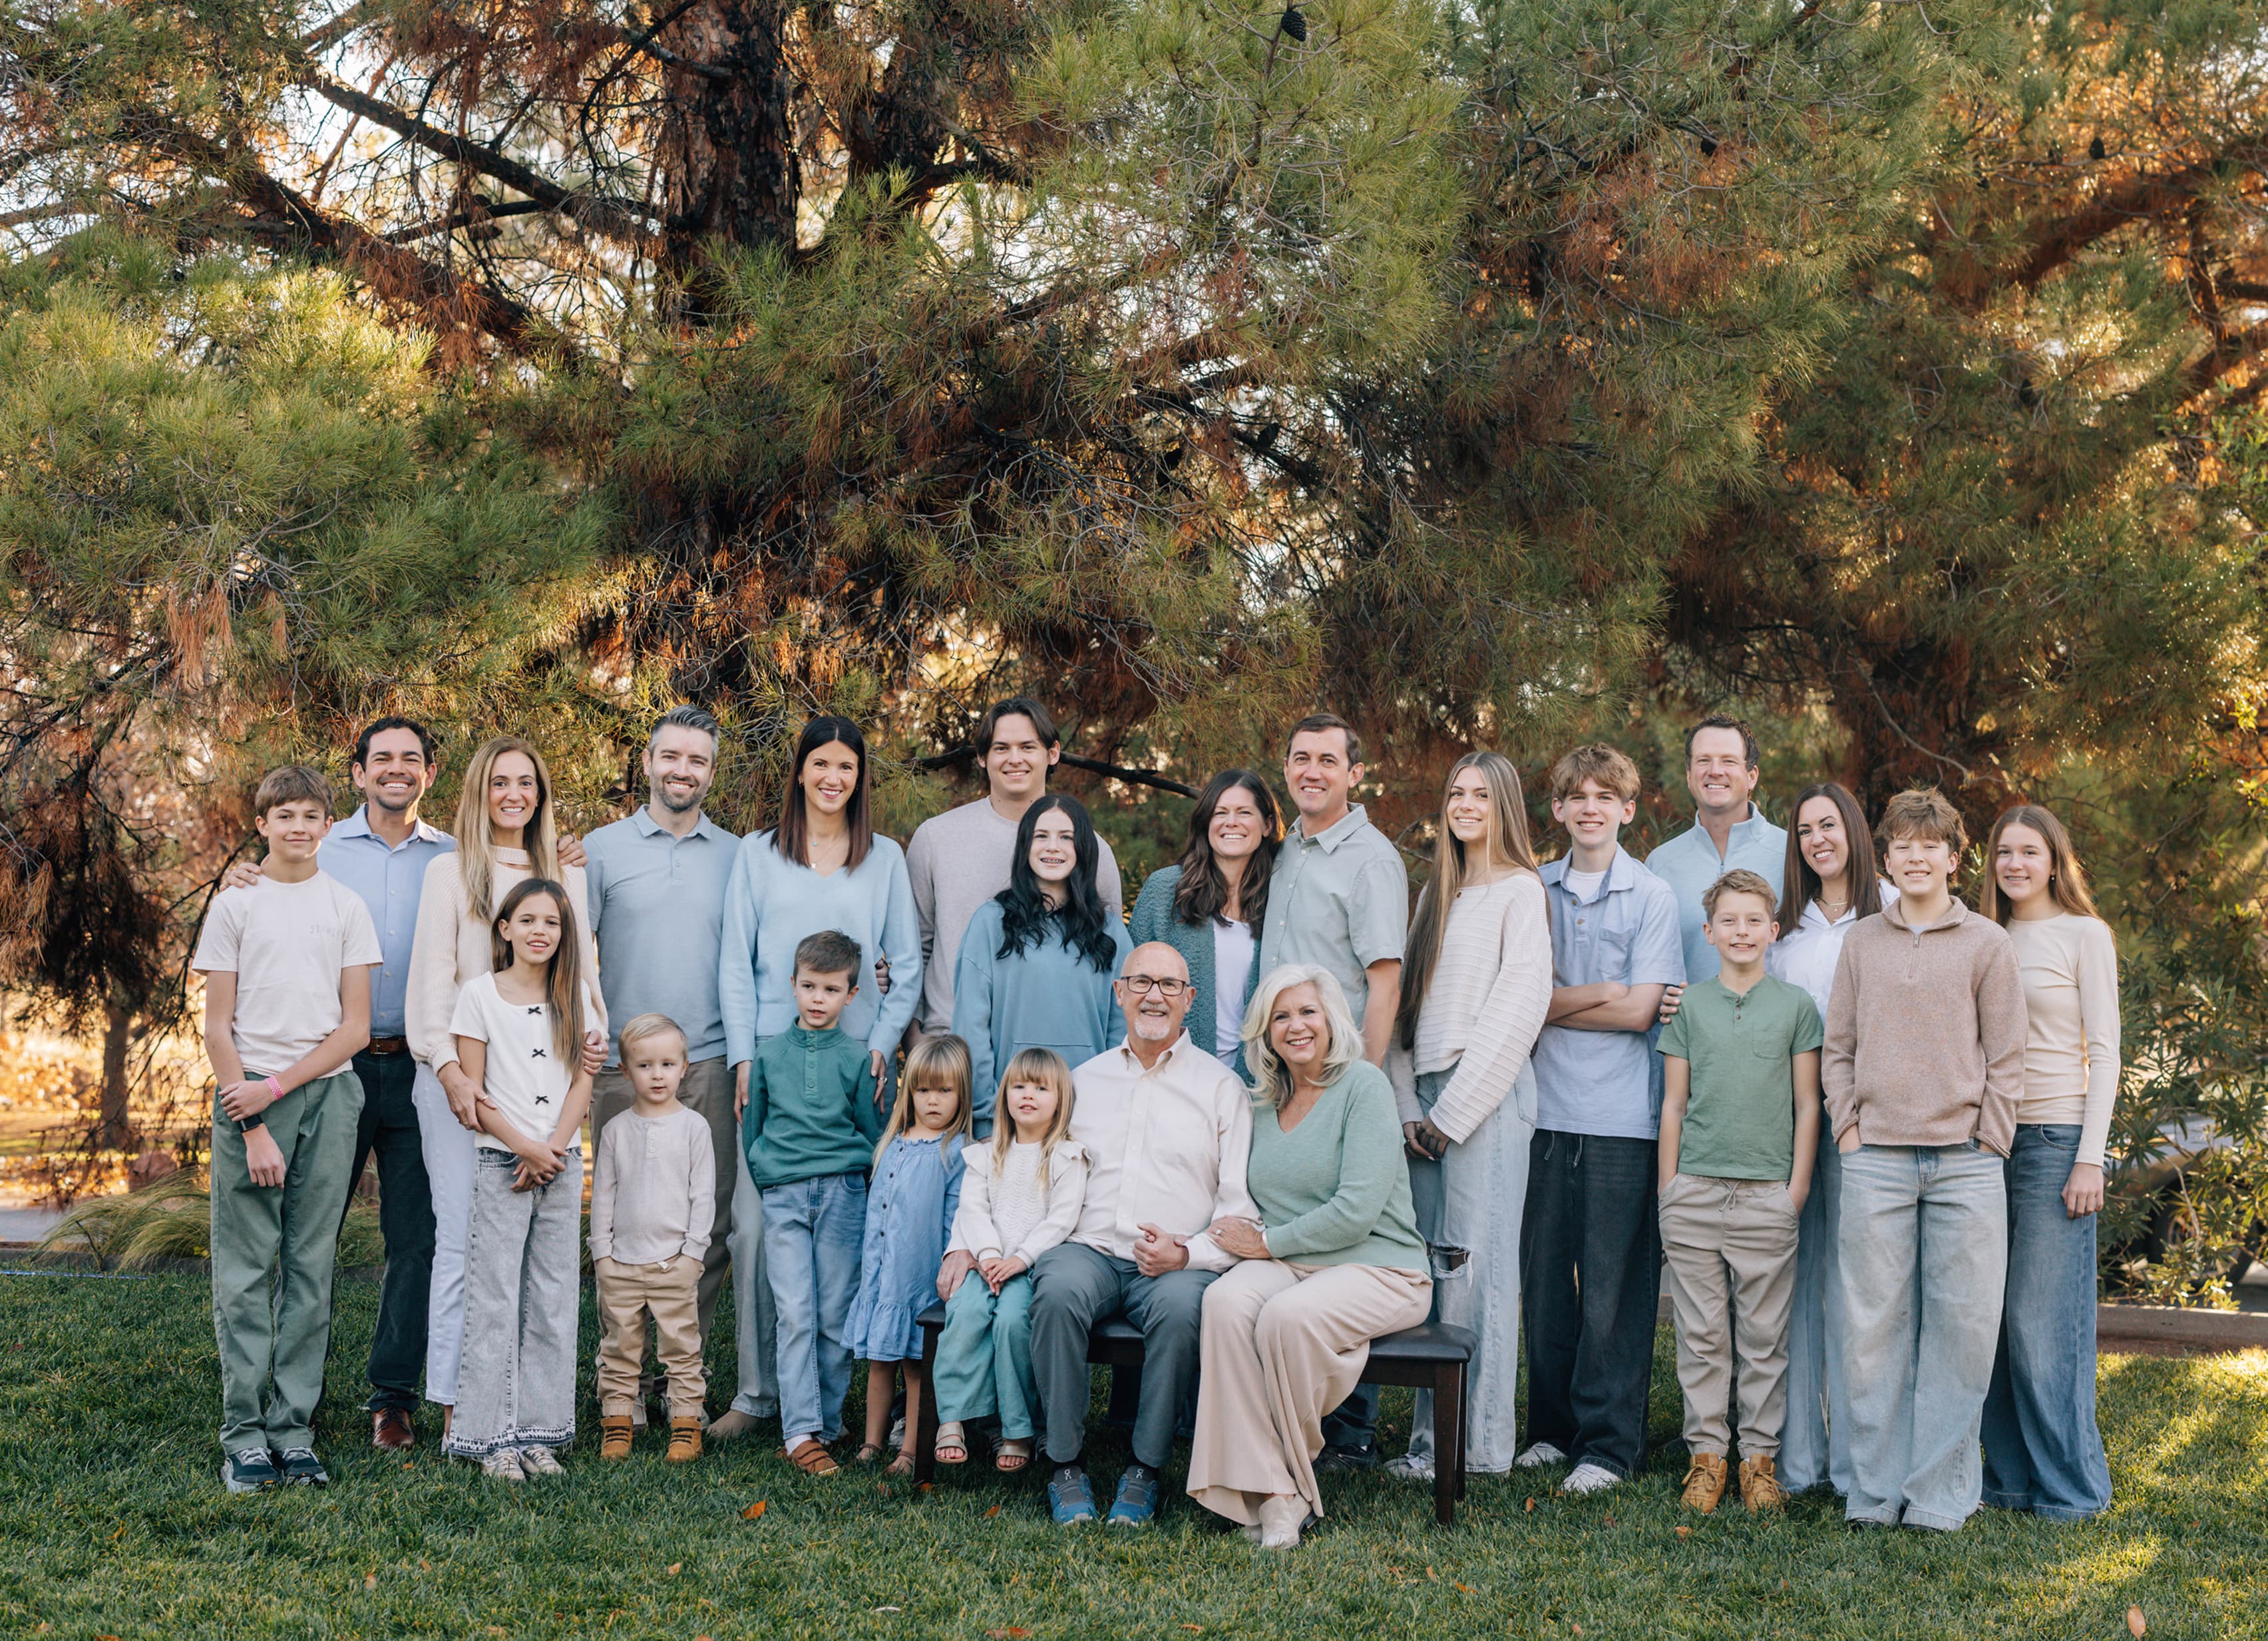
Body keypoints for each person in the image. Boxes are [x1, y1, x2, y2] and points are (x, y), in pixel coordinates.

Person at [715, 715, 920, 1440]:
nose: (833, 778)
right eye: (820, 764)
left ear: (860, 779)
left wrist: (883, 1045)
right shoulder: (759, 854)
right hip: (773, 1068)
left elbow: (908, 964)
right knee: (752, 1231)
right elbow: (736, 964)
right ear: (799, 770)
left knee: (846, 1239)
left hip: (854, 1070)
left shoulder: (884, 859)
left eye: (847, 767)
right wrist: (744, 1056)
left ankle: (836, 1404)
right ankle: (757, 1394)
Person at [1825, 788, 2026, 1532]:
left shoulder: (1986, 945)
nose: (1914, 856)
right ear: (1887, 856)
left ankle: (1940, 1498)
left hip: (1965, 1165)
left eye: (1928, 845)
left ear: (1952, 856)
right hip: (1876, 1156)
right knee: (1872, 1330)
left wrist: (1990, 1139)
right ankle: (1875, 1497)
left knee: (1963, 1331)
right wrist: (1849, 1132)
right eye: (1901, 846)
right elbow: (1838, 1049)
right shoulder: (1861, 943)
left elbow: (2008, 1058)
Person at [1187, 967, 1431, 1550]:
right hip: (1297, 1262)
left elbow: (1356, 1211)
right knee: (1223, 1301)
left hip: (1381, 1266)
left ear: (1331, 1021)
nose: (1296, 1026)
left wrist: (1267, 1244)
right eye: (1281, 1016)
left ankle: (1289, 1489)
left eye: (1307, 1013)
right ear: (1265, 1032)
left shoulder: (1364, 1087)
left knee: (1285, 1318)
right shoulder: (1263, 1102)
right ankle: (1271, 1487)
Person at [1022, 944, 1258, 1529]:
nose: (1155, 995)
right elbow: (1041, 1172)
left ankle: (1144, 1469)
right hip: (1091, 1250)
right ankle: (1065, 1465)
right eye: (1143, 982)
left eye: (1170, 986)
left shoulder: (1222, 1088)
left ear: (1189, 1001)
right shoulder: (1083, 1081)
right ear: (1120, 992)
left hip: (1177, 1262)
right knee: (1055, 1293)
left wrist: (1188, 1252)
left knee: (1183, 1312)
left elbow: (1238, 1206)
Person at [405, 736, 604, 1427]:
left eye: (527, 782)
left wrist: (549, 1131)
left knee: (537, 1262)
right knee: (467, 1242)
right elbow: (431, 990)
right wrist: (453, 1076)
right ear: (478, 792)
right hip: (463, 1087)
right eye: (499, 782)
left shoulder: (567, 875)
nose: (513, 794)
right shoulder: (449, 872)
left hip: (545, 1094)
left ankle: (525, 1405)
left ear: (541, 795)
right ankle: (464, 1402)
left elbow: (587, 983)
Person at [194, 766, 381, 1492]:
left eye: (312, 816)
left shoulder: (345, 905)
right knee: (244, 1272)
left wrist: (283, 1087)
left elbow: (356, 1026)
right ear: (262, 823)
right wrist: (255, 1116)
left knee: (311, 1268)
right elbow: (216, 1025)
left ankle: (293, 1430)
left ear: (328, 826)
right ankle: (243, 1434)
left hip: (328, 1098)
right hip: (248, 1099)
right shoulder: (235, 905)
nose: (299, 828)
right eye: (285, 816)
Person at [1517, 743, 1684, 1495]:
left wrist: (1556, 1002)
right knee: (1545, 1279)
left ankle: (1609, 1446)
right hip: (1539, 1111)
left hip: (1624, 1117)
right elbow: (1517, 1007)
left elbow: (1643, 1010)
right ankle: (1550, 1430)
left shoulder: (1652, 895)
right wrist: (1598, 993)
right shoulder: (1533, 891)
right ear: (1557, 810)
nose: (1589, 807)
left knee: (1616, 1287)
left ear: (1627, 809)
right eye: (1575, 796)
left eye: (1604, 796)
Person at [1382, 750, 1551, 1483]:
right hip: (1422, 1101)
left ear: (1504, 805)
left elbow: (1517, 1011)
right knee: (1434, 1269)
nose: (1466, 804)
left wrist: (1451, 1113)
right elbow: (1401, 1015)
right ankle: (1428, 1442)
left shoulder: (1521, 891)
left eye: (1482, 794)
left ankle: (1480, 1447)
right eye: (1457, 791)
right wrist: (1405, 1105)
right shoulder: (1433, 897)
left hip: (1484, 1100)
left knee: (1479, 1271)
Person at [583, 706, 743, 1432]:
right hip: (619, 1066)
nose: (683, 771)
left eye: (698, 761)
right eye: (671, 757)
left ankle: (679, 1380)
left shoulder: (739, 856)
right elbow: (568, 952)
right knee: (619, 1225)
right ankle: (621, 1381)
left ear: (712, 772)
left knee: (699, 1228)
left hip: (706, 1063)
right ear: (646, 762)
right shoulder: (598, 851)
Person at [1256, 712, 1410, 1467]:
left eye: (1327, 760)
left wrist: (1364, 1084)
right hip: (1288, 1075)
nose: (1311, 770)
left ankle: (1348, 1435)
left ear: (1355, 773)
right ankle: (1292, 1416)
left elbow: (1383, 981)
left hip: (1342, 1078)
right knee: (1304, 1232)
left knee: (1352, 1238)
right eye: (1299, 759)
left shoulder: (1370, 860)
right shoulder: (1290, 851)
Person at [1656, 869, 1823, 1515]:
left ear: (1773, 931)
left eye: (1755, 920)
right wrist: (1670, 1189)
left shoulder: (1796, 1008)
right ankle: (1706, 1459)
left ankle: (1758, 1461)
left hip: (1766, 1199)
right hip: (1695, 1193)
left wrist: (1796, 1192)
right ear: (1710, 931)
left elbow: (1809, 1106)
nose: (1742, 931)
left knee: (1762, 1337)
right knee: (1701, 1336)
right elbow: (1674, 1105)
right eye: (1730, 921)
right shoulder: (1692, 1006)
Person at [1979, 803, 2120, 1522]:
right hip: (1985, 1144)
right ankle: (2005, 1483)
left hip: (2053, 1142)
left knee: (2042, 1323)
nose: (2015, 864)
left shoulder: (2083, 936)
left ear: (2055, 861)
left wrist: (2088, 1159)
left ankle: (2072, 1490)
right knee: (1993, 1320)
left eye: (2030, 852)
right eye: (2004, 851)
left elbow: (2106, 1051)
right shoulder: (1983, 936)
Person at [317, 718, 451, 1451]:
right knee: (312, 1236)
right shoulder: (320, 848)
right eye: (382, 759)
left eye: (410, 759)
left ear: (429, 772)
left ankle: (391, 1398)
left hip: (420, 1067)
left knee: (416, 1240)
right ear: (360, 772)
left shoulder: (455, 856)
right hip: (335, 1064)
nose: (396, 770)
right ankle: (293, 1392)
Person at [442, 877, 596, 1481]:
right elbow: (474, 1095)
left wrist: (552, 1150)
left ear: (565, 935)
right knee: (496, 1297)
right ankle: (490, 1438)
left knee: (554, 1298)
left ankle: (539, 1432)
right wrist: (525, 1148)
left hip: (561, 1161)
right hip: (501, 1159)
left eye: (552, 923)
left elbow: (584, 1080)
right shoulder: (478, 995)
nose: (540, 932)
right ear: (504, 930)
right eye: (528, 921)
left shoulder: (575, 994)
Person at [1767, 782, 1886, 1497]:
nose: (1818, 839)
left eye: (1830, 825)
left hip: (1871, 1132)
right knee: (1797, 1290)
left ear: (1855, 833)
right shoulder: (1785, 935)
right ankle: (1800, 1462)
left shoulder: (1897, 913)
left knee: (1861, 1297)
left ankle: (1857, 1466)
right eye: (1805, 830)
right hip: (1793, 1128)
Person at [740, 930, 886, 1477]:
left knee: (832, 1317)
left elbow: (872, 1133)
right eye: (808, 986)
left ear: (851, 995)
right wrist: (771, 1177)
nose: (817, 998)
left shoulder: (857, 1058)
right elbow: (753, 1131)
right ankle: (800, 1432)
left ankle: (824, 1424)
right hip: (785, 1197)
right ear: (793, 987)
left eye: (830, 989)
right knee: (796, 1312)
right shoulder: (770, 1053)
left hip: (844, 1194)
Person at [908, 697, 1125, 1039]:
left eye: (1027, 746)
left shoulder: (1090, 850)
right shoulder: (936, 838)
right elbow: (915, 949)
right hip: (951, 1044)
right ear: (982, 757)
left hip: (1050, 1055)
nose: (1014, 759)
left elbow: (1109, 957)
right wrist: (916, 1041)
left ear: (1052, 753)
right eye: (1000, 748)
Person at [932, 1046, 1088, 1475]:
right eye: (1019, 1086)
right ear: (1005, 1095)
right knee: (965, 1311)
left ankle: (1019, 1427)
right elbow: (973, 1210)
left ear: (1061, 1100)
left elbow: (1062, 1219)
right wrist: (986, 1256)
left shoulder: (1065, 1157)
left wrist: (1019, 1259)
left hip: (1030, 1268)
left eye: (1041, 1088)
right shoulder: (986, 1154)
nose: (1028, 1095)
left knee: (1012, 1322)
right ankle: (954, 1416)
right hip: (987, 1263)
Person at [951, 793, 1131, 1125]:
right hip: (1008, 1119)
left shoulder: (1110, 931)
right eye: (1041, 836)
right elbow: (971, 1028)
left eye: (1066, 837)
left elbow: (1122, 1031)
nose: (1053, 847)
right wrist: (987, 1116)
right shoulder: (991, 923)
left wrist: (1109, 1108)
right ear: (1025, 847)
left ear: (1083, 849)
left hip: (1090, 1116)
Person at [592, 1013, 716, 1465]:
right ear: (625, 1071)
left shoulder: (693, 1128)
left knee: (682, 1348)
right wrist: (602, 1254)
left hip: (673, 1263)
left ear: (684, 1067)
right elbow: (603, 1194)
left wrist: (692, 1255)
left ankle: (685, 1426)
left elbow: (703, 1196)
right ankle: (618, 1424)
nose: (657, 1074)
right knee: (620, 1349)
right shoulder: (616, 1130)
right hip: (621, 1264)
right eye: (645, 1066)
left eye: (667, 1064)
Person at [846, 1035, 972, 1475]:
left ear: (963, 1093)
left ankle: (909, 1450)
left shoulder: (956, 1152)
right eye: (923, 1090)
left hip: (920, 1284)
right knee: (880, 1364)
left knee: (916, 1369)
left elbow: (953, 1222)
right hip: (883, 1280)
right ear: (909, 1091)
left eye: (944, 1091)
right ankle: (871, 1442)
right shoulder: (893, 1144)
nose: (933, 1101)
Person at [1127, 771, 1282, 1075]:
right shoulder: (1166, 891)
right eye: (1219, 813)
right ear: (1205, 824)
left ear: (1266, 825)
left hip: (1258, 1082)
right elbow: (1129, 990)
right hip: (1172, 1075)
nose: (1231, 822)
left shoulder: (1280, 901)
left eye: (1244, 813)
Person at [1647, 715, 1790, 994]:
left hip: (1776, 1033)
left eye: (1728, 761)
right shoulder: (1659, 864)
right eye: (1703, 761)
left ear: (1752, 777)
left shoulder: (1792, 855)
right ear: (1689, 776)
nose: (1715, 771)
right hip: (1686, 1032)